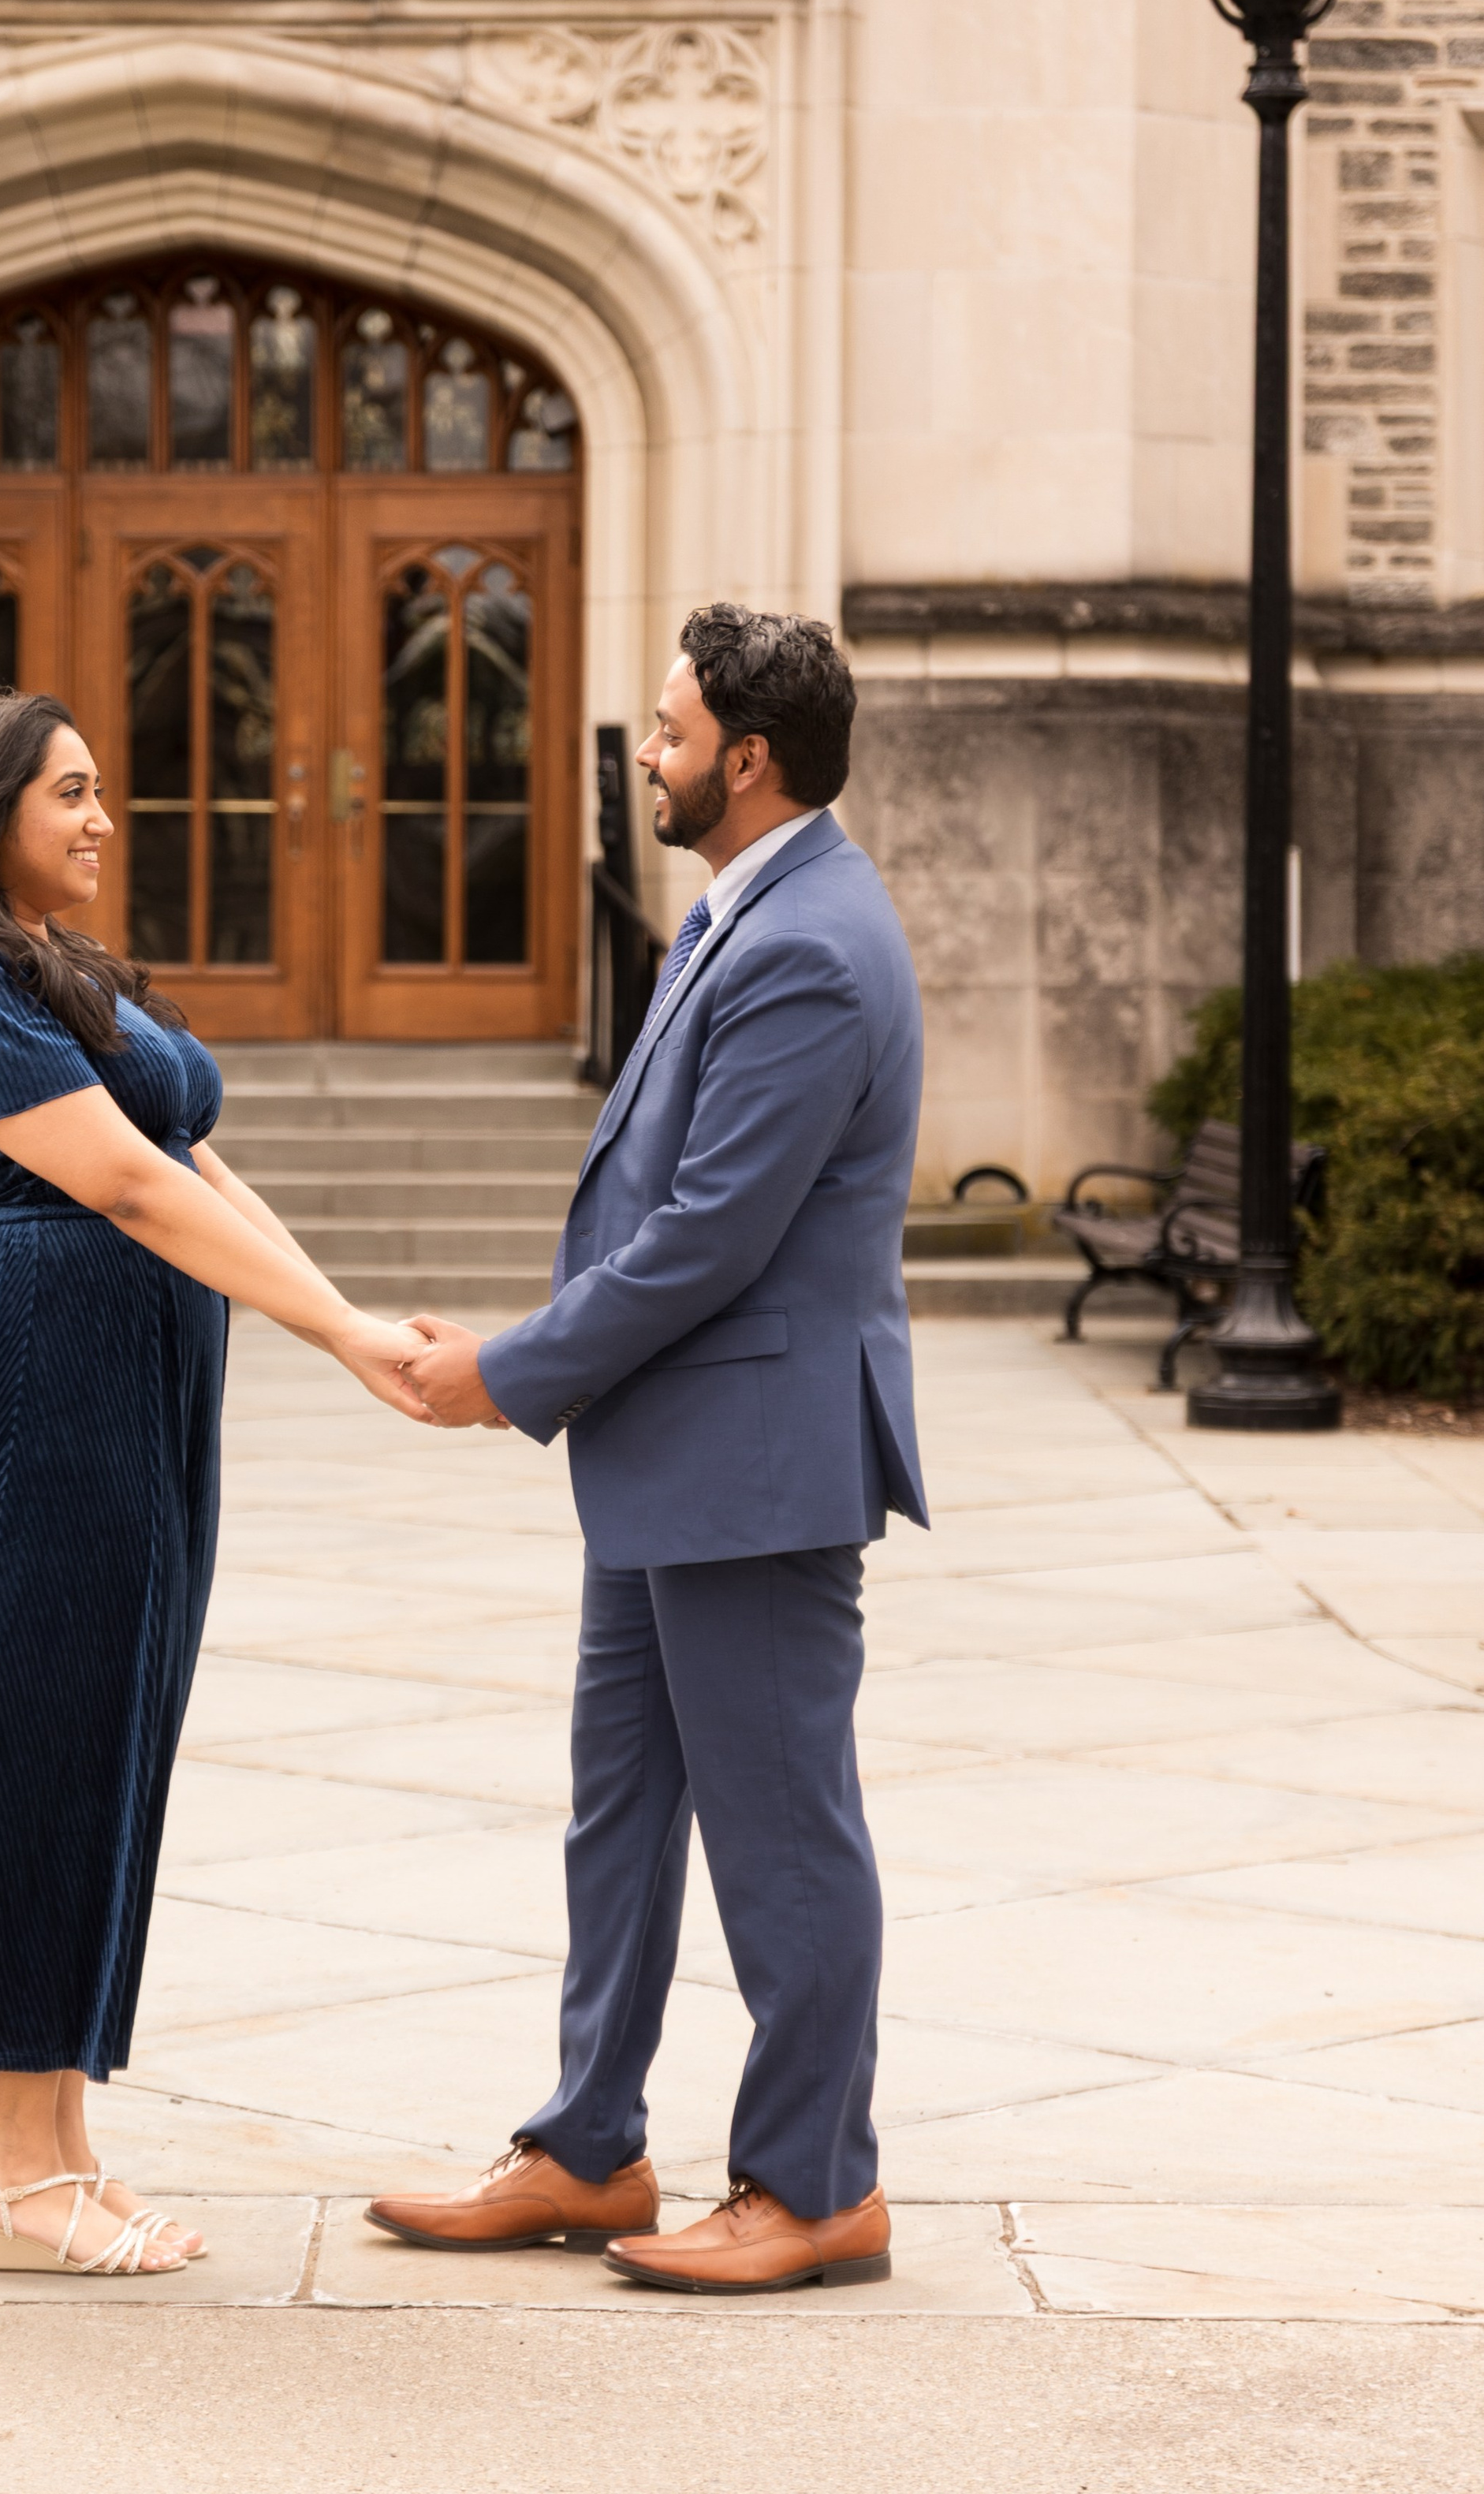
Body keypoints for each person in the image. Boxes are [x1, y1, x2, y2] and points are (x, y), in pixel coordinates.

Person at [0, 691, 428, 2278]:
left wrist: (349, 1333)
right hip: (42, 1375)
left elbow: (190, 1166)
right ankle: (9, 2170)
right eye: (73, 795)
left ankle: (54, 2145)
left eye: (103, 792)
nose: (104, 819)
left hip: (141, 1377)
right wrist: (337, 1330)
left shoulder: (78, 977)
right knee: (29, 1735)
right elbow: (113, 1179)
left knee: (99, 1734)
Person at [375, 604, 927, 2294]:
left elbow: (706, 1235)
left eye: (668, 730)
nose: (645, 748)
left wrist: (509, 1371)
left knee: (780, 1831)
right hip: (669, 1451)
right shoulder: (739, 913)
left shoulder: (808, 945)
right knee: (617, 1815)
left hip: (753, 1461)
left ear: (744, 760)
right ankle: (586, 2148)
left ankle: (813, 2186)